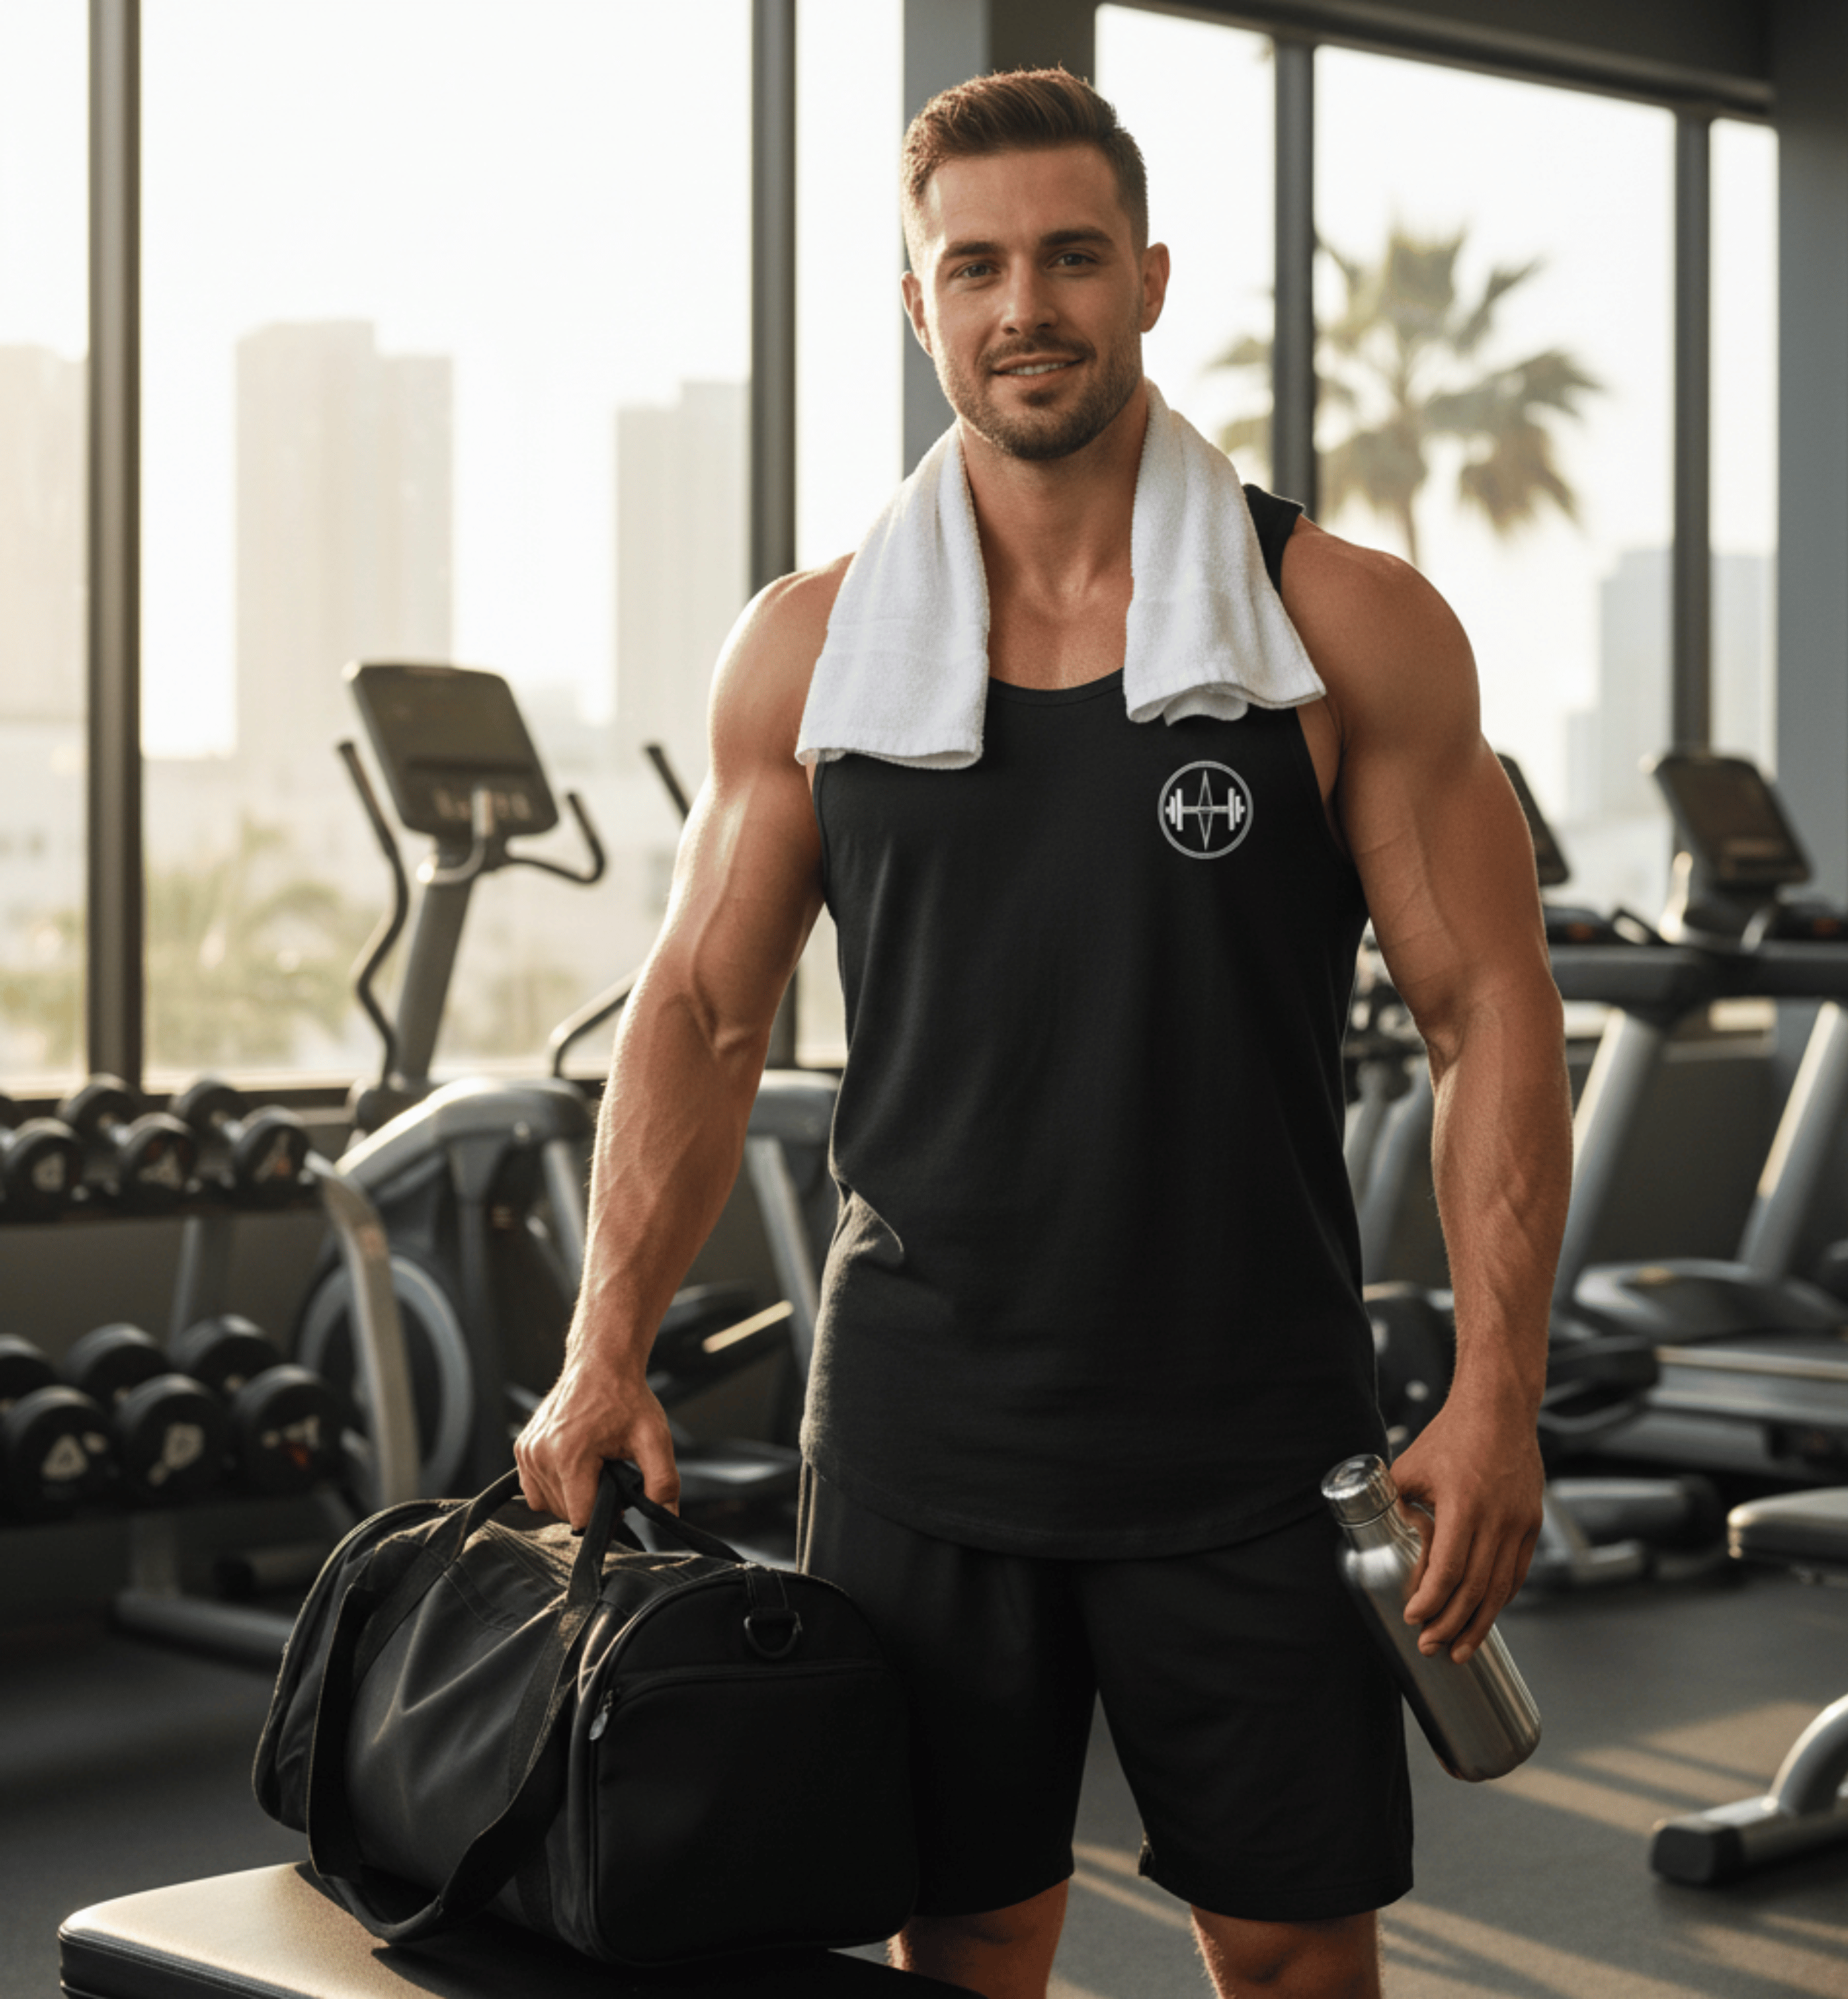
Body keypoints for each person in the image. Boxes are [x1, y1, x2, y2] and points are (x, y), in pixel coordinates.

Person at [518, 67, 1569, 1999]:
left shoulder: (1342, 623)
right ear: (913, 303)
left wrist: (1497, 1385)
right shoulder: (810, 648)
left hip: (1249, 1426)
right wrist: (602, 1357)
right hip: (927, 1424)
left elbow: (1488, 1006)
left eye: (1071, 256)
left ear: (1149, 278)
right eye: (976, 265)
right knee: (966, 1934)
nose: (1026, 304)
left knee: (1288, 1948)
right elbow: (694, 1008)